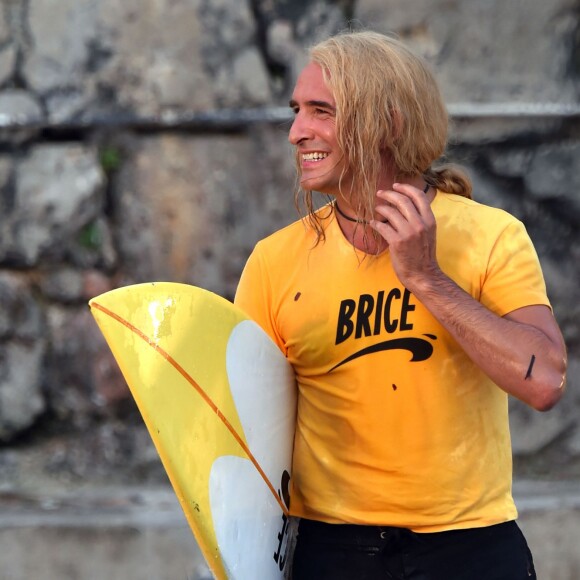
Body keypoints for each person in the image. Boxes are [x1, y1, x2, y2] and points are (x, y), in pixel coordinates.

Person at [234, 30, 567, 580]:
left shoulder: (489, 236)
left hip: (469, 550)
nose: (297, 132)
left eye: (322, 112)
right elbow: (244, 430)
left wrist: (427, 278)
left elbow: (545, 382)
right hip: (331, 554)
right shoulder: (274, 261)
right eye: (297, 111)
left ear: (387, 122)